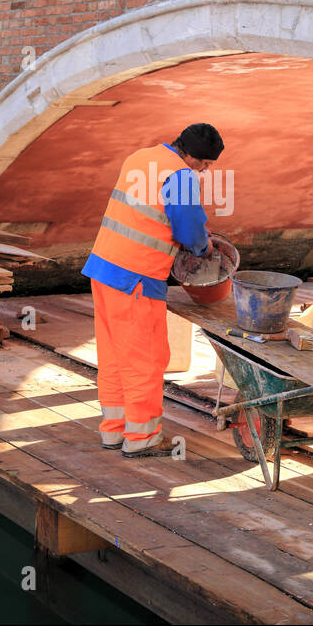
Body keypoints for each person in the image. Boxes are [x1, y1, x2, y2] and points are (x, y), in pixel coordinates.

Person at [81, 123, 224, 457]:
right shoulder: (181, 175)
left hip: (103, 269)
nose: (205, 170)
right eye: (205, 164)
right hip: (136, 279)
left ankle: (114, 431)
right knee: (145, 359)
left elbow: (146, 214)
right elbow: (189, 229)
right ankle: (142, 437)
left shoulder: (140, 157)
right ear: (193, 157)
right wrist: (204, 249)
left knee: (115, 356)